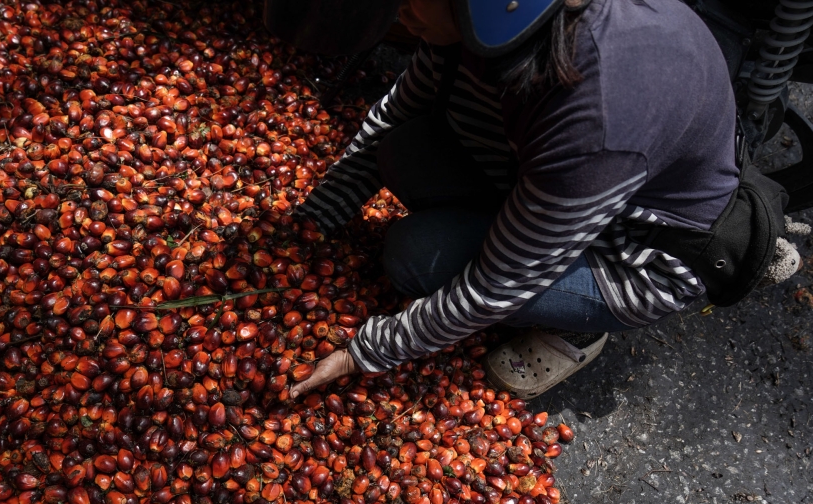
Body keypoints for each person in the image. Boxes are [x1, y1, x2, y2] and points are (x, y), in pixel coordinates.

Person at [289, 0, 807, 400]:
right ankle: (526, 229)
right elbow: (402, 109)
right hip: (568, 192)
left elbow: (498, 284)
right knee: (403, 150)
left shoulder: (595, 123)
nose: (399, 12)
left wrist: (365, 352)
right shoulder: (489, 21)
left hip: (632, 260)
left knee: (414, 255)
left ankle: (578, 327)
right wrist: (316, 218)